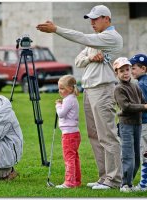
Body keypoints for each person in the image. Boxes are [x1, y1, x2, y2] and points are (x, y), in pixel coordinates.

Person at [37, 4, 122, 189]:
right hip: (90, 90)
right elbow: (78, 60)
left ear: (107, 18)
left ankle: (114, 180)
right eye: (90, 19)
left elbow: (81, 38)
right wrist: (91, 58)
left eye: (96, 18)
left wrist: (56, 29)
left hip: (103, 89)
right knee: (94, 135)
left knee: (107, 135)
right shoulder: (95, 41)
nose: (92, 22)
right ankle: (103, 177)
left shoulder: (111, 37)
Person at [113, 57, 147, 192]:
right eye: (122, 71)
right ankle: (125, 184)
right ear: (116, 72)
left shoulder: (135, 86)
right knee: (128, 156)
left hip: (137, 124)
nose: (126, 73)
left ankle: (130, 183)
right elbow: (126, 107)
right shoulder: (118, 89)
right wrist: (144, 107)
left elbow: (142, 100)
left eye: (127, 69)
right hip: (126, 125)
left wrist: (143, 105)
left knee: (137, 157)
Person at [55, 75, 81, 189]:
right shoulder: (72, 98)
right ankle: (76, 180)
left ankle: (69, 182)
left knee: (69, 158)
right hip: (74, 133)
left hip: (68, 134)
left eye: (62, 88)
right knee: (74, 157)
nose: (59, 91)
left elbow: (61, 114)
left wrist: (58, 105)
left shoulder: (68, 99)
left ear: (70, 89)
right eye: (59, 88)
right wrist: (62, 104)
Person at [129, 54, 147, 191]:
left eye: (133, 68)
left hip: (144, 123)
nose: (131, 71)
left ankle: (143, 184)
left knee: (144, 153)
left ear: (143, 68)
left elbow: (140, 104)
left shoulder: (141, 85)